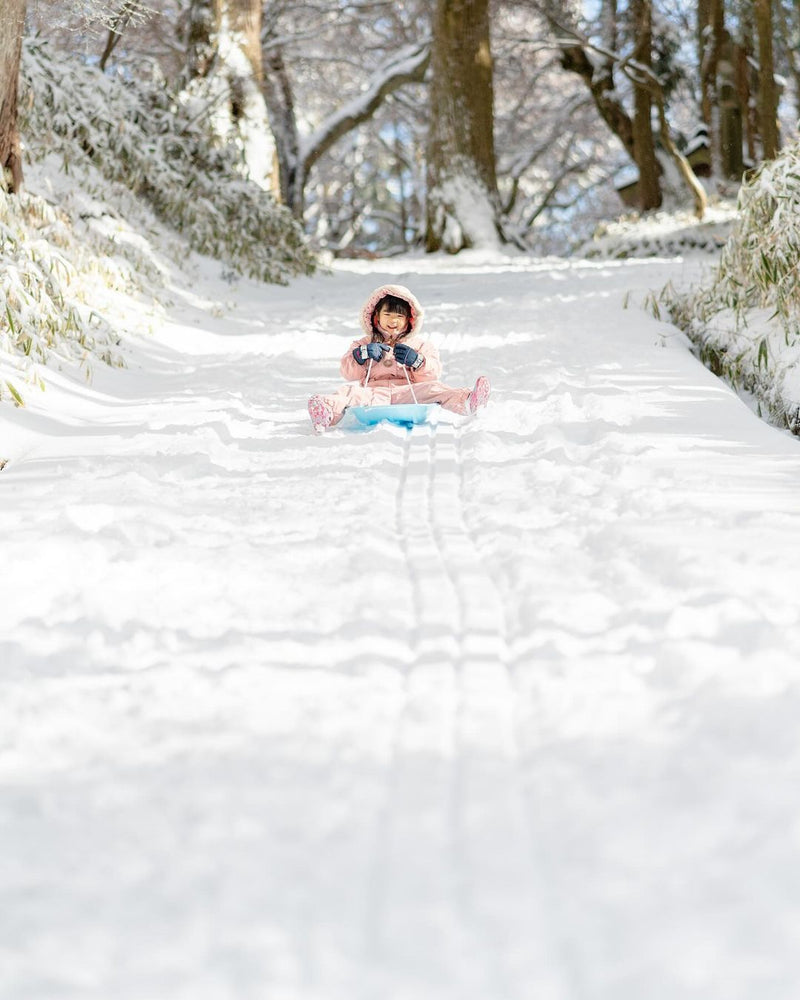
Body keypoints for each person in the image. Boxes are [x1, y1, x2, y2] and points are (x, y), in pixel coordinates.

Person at [307, 283, 490, 431]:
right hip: (372, 394)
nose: (393, 321)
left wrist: (417, 361)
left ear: (409, 320)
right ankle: (326, 411)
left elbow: (432, 373)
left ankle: (468, 401)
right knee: (347, 392)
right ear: (376, 317)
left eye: (399, 316)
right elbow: (348, 372)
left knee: (435, 388)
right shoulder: (363, 343)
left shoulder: (419, 345)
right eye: (387, 314)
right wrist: (361, 354)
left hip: (408, 394)